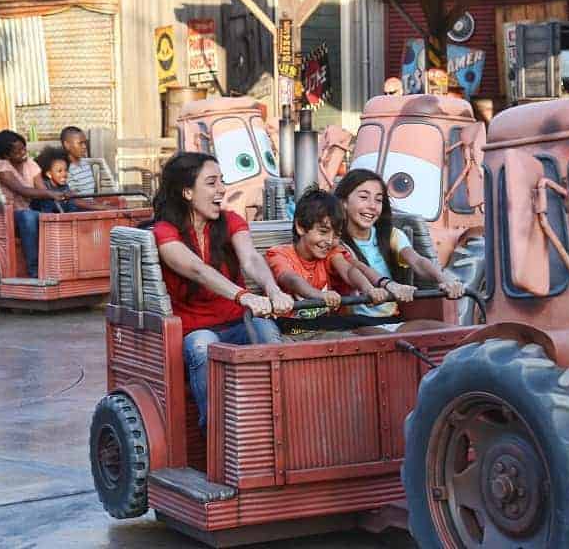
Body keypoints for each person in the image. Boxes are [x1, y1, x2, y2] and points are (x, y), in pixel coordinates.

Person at [152, 152, 293, 430]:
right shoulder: (165, 231)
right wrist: (244, 296)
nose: (222, 189)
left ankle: (280, 421)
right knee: (203, 344)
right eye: (212, 182)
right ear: (187, 192)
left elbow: (251, 258)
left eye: (222, 181)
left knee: (265, 328)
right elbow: (196, 269)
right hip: (195, 331)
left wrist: (272, 289)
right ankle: (215, 433)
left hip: (238, 322)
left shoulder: (230, 221)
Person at [333, 168, 465, 333]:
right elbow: (357, 269)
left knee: (450, 334)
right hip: (355, 323)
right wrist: (391, 286)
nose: (372, 206)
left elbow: (417, 261)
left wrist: (444, 279)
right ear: (343, 202)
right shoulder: (334, 242)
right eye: (364, 198)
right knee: (390, 341)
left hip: (392, 319)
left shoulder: (391, 235)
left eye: (378, 200)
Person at [265, 187, 388, 340]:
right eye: (323, 232)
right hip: (293, 328)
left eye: (336, 235)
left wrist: (368, 288)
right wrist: (319, 295)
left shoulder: (331, 252)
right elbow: (290, 279)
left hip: (325, 324)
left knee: (376, 332)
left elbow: (348, 270)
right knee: (348, 340)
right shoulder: (279, 254)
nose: (329, 241)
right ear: (301, 227)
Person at [0, 130, 66, 278]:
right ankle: (34, 270)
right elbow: (23, 191)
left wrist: (58, 196)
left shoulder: (30, 163)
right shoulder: (2, 167)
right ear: (7, 155)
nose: (23, 153)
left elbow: (41, 189)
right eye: (18, 151)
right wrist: (51, 194)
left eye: (24, 148)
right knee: (29, 217)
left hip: (28, 209)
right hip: (7, 214)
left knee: (54, 211)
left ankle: (58, 264)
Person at [29, 147, 80, 213]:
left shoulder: (65, 186)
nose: (64, 174)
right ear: (49, 174)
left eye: (66, 170)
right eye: (59, 171)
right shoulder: (44, 187)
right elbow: (46, 211)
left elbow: (71, 207)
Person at [61, 126, 95, 195]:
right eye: (80, 143)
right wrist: (97, 206)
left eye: (84, 143)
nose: (84, 146)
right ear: (67, 145)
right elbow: (71, 199)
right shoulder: (64, 169)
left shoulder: (85, 163)